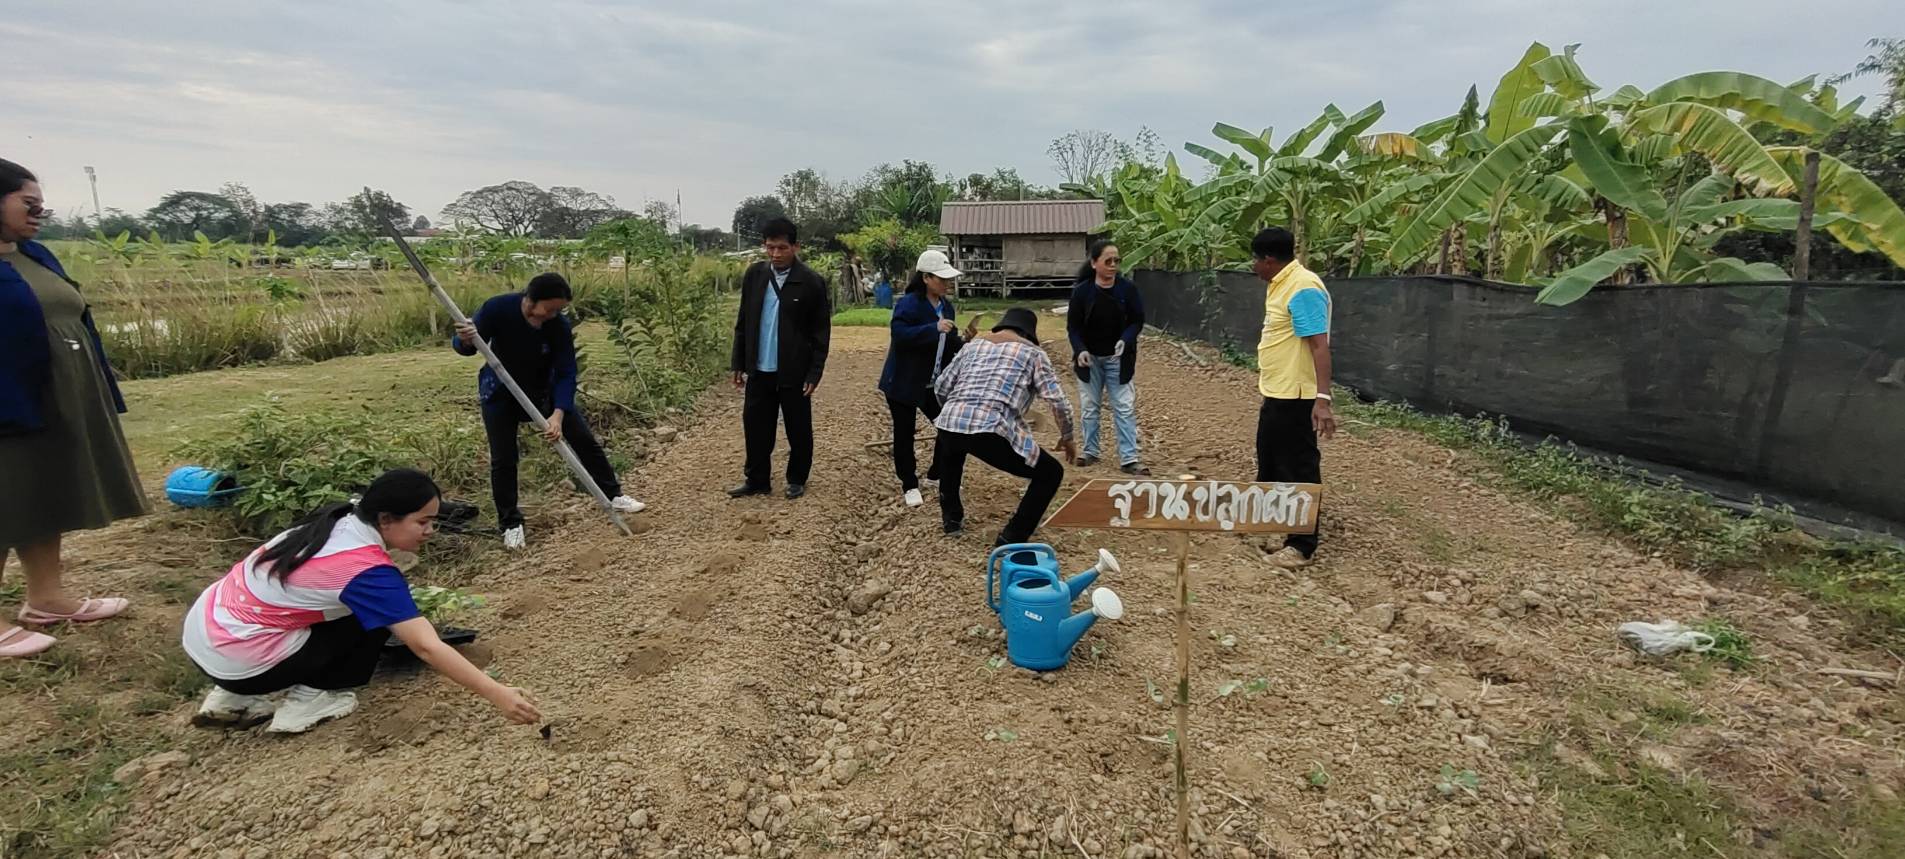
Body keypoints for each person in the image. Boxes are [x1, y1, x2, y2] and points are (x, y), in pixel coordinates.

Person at [182, 469, 542, 733]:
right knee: (371, 620)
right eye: (423, 522)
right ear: (386, 519)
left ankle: (229, 698)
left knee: (333, 609)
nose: (431, 531)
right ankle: (311, 701)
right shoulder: (366, 571)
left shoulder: (333, 521)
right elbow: (426, 647)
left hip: (206, 636)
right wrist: (497, 693)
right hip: (241, 659)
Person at [0, 158, 144, 659]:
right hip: (9, 398)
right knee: (6, 496)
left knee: (40, 493)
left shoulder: (32, 255)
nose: (39, 213)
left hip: (56, 394)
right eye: (28, 204)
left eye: (42, 205)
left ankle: (46, 598)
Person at [453, 273, 645, 551]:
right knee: (504, 458)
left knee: (583, 439)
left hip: (543, 392)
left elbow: (567, 372)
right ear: (531, 300)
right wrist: (465, 340)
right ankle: (511, 524)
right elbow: (465, 347)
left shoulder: (557, 326)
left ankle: (613, 494)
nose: (554, 314)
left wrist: (557, 414)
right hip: (499, 393)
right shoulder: (497, 308)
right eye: (551, 308)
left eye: (559, 310)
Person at [931, 307, 1077, 546]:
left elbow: (942, 387)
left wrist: (954, 411)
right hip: (990, 427)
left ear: (1001, 326)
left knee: (951, 448)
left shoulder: (972, 346)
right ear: (1029, 334)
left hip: (949, 419)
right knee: (1050, 473)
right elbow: (1058, 402)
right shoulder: (1034, 354)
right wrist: (1068, 437)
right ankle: (1011, 537)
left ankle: (951, 520)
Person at [1249, 227, 1335, 570]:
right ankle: (1275, 526)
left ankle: (1301, 545)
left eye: (1255, 260)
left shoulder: (1303, 288)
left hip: (1297, 396)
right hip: (1277, 391)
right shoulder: (1282, 284)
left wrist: (1323, 400)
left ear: (1269, 260)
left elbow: (1319, 345)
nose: (1253, 266)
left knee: (1298, 466)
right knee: (1270, 461)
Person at [729, 218, 832, 500]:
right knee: (755, 426)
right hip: (759, 369)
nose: (775, 254)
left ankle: (797, 478)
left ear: (796, 247)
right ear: (764, 246)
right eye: (770, 247)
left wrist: (814, 373)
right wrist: (738, 361)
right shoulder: (755, 275)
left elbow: (821, 332)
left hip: (794, 370)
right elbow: (743, 321)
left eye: (782, 248)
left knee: (798, 428)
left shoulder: (811, 282)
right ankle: (757, 479)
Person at [877, 250, 972, 508]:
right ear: (926, 278)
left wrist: (963, 340)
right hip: (903, 381)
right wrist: (933, 328)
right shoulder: (909, 304)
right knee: (904, 434)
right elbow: (900, 334)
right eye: (941, 279)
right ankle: (909, 484)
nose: (946, 283)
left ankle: (936, 474)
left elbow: (947, 343)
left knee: (948, 427)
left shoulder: (947, 306)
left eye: (947, 279)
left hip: (933, 383)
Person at [1066, 239, 1148, 475]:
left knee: (1123, 407)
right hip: (1089, 359)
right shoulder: (1082, 292)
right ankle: (1090, 451)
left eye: (1117, 261)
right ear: (1094, 264)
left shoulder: (1127, 290)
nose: (1113, 265)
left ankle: (1129, 458)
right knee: (1090, 406)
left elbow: (1136, 320)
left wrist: (1126, 338)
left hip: (1118, 358)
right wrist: (1080, 349)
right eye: (1108, 261)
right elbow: (1073, 328)